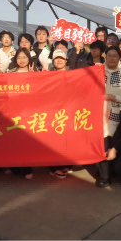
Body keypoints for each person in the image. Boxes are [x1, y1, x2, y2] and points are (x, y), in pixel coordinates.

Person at [97, 46, 121, 188]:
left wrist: (117, 98)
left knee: (115, 146)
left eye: (115, 56)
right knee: (103, 146)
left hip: (118, 115)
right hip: (99, 115)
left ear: (119, 57)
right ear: (105, 57)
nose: (112, 58)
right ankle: (104, 176)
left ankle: (116, 172)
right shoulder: (98, 70)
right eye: (109, 55)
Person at [6, 48, 37, 179]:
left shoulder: (35, 73)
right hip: (14, 110)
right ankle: (14, 167)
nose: (22, 60)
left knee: (26, 141)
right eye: (19, 57)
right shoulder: (10, 73)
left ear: (29, 59)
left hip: (29, 111)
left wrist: (33, 77)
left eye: (24, 57)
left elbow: (39, 92)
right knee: (14, 140)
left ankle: (27, 168)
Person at [48, 49, 73, 179]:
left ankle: (65, 163)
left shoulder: (73, 75)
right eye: (56, 58)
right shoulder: (48, 75)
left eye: (61, 58)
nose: (59, 60)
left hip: (67, 110)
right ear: (53, 61)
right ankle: (54, 167)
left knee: (66, 139)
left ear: (66, 60)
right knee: (54, 140)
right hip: (53, 111)